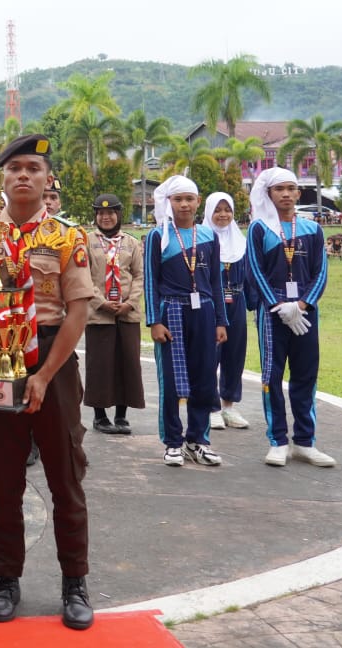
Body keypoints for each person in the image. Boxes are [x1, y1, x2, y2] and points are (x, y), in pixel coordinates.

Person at [0, 134, 95, 630]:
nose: (23, 175)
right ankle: (5, 580)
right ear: (0, 178)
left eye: (33, 168)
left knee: (65, 478)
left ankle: (74, 582)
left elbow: (77, 312)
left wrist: (44, 376)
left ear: (47, 178)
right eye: (13, 167)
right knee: (4, 480)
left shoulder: (66, 237)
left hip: (51, 361)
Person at [246, 168, 334, 468]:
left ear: (298, 193)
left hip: (305, 314)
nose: (285, 194)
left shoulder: (312, 228)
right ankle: (278, 441)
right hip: (272, 316)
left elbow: (321, 271)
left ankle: (305, 442)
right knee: (272, 377)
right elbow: (255, 271)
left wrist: (303, 303)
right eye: (278, 189)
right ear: (268, 194)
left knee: (306, 376)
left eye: (291, 188)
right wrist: (279, 305)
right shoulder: (260, 228)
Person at [143, 176, 227, 468]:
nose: (184, 204)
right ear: (169, 202)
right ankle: (172, 443)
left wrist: (221, 321)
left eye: (189, 199)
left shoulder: (208, 236)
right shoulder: (159, 236)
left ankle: (198, 441)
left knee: (205, 379)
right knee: (171, 382)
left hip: (204, 312)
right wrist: (154, 320)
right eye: (178, 199)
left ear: (198, 201)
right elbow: (151, 282)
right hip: (172, 314)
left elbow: (216, 281)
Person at [82, 193, 145, 435]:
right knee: (100, 365)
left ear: (119, 214)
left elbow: (139, 275)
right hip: (100, 315)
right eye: (100, 213)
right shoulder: (86, 242)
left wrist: (130, 302)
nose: (105, 217)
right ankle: (100, 416)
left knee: (127, 363)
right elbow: (84, 276)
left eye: (110, 213)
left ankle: (121, 415)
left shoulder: (130, 243)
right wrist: (101, 302)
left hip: (127, 314)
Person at [205, 191, 257, 431]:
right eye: (218, 210)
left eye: (227, 210)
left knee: (235, 354)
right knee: (209, 355)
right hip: (210, 304)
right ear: (208, 212)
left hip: (236, 299)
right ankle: (211, 407)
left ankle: (228, 406)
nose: (223, 215)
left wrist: (254, 304)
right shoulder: (202, 239)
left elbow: (250, 275)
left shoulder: (242, 241)